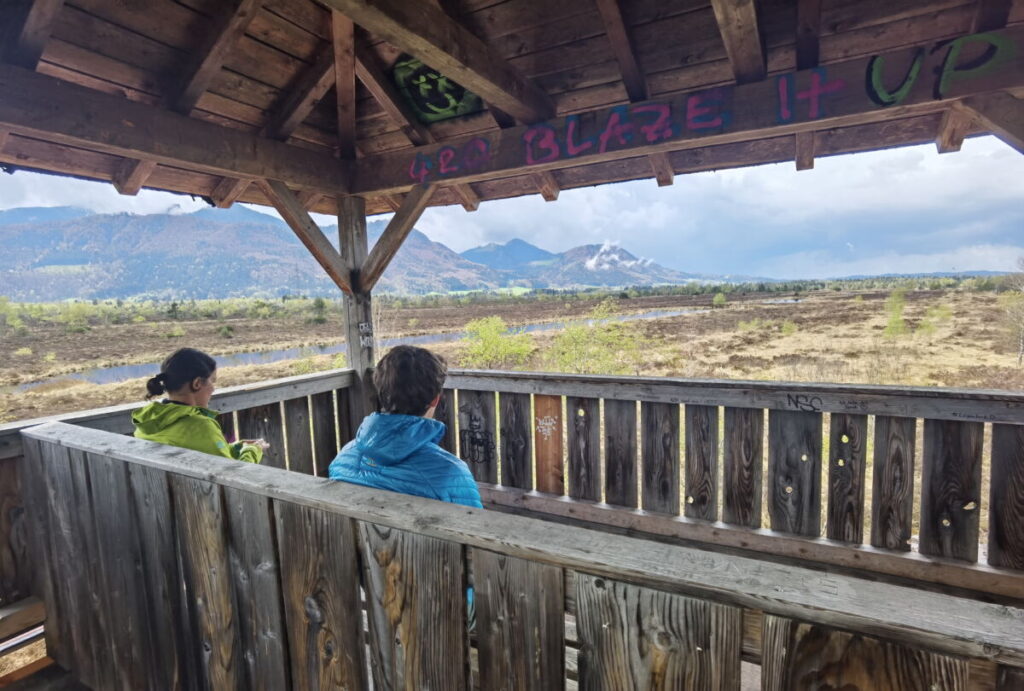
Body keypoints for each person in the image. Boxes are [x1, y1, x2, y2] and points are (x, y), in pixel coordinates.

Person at [329, 345, 481, 508]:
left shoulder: (343, 459)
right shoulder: (451, 474)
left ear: (381, 393)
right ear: (435, 400)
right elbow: (475, 528)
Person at [132, 347, 265, 464]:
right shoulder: (200, 426)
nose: (213, 389)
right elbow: (236, 475)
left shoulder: (148, 421)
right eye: (212, 381)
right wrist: (253, 450)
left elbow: (200, 448)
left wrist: (237, 447)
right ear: (197, 384)